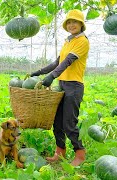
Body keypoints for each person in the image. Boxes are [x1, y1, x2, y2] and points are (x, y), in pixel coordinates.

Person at [30, 9, 89, 166]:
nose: (71, 25)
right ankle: (60, 152)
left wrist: (51, 77)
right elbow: (57, 62)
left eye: (74, 22)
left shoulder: (82, 41)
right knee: (57, 122)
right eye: (69, 22)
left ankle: (80, 154)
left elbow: (68, 61)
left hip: (74, 86)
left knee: (69, 123)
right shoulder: (68, 41)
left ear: (81, 24)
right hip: (62, 85)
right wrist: (39, 72)